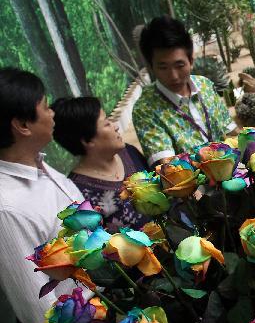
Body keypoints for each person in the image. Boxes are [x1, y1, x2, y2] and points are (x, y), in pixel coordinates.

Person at [0, 68, 99, 323]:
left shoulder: (41, 167)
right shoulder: (7, 206)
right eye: (44, 106)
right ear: (22, 125)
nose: (52, 112)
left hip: (98, 309)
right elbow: (33, 295)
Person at [133, 16, 239, 166]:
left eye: (180, 65)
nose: (174, 76)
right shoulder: (145, 109)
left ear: (191, 60)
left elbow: (231, 133)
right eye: (163, 67)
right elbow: (167, 167)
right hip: (194, 187)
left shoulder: (205, 85)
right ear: (151, 66)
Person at [51, 97, 149, 232]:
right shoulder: (78, 193)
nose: (115, 126)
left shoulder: (129, 151)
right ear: (87, 140)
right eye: (106, 124)